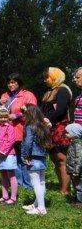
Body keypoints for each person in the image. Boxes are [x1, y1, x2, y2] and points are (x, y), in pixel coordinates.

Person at [0, 73, 38, 189]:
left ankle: (28, 183)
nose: (10, 85)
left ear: (19, 83)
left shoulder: (27, 95)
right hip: (8, 132)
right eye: (9, 82)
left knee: (24, 157)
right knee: (13, 158)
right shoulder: (5, 96)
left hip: (23, 131)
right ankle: (18, 183)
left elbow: (33, 112)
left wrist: (16, 115)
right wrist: (0, 103)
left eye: (13, 82)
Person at [40, 67, 73, 196]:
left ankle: (66, 190)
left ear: (54, 77)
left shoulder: (63, 90)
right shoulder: (49, 91)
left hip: (59, 128)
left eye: (46, 77)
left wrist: (47, 119)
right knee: (54, 159)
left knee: (61, 159)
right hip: (49, 129)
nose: (44, 80)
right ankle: (62, 186)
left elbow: (60, 110)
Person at [21, 104, 52, 215]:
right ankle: (37, 204)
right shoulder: (43, 126)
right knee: (42, 182)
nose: (23, 115)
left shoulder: (30, 126)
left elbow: (27, 143)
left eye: (24, 113)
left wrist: (25, 156)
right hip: (42, 157)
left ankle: (41, 208)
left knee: (36, 183)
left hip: (32, 157)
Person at [0, 106, 17, 204]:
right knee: (3, 175)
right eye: (1, 117)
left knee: (11, 175)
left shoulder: (10, 127)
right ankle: (5, 196)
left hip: (8, 155)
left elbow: (10, 141)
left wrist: (1, 151)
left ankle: (13, 197)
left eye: (5, 117)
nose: (3, 119)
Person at [65, 122, 82, 206]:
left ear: (74, 134)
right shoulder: (74, 143)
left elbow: (79, 159)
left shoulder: (78, 145)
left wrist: (77, 170)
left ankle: (80, 202)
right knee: (76, 185)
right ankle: (78, 198)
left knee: (79, 187)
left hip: (78, 171)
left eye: (68, 133)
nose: (66, 134)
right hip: (73, 170)